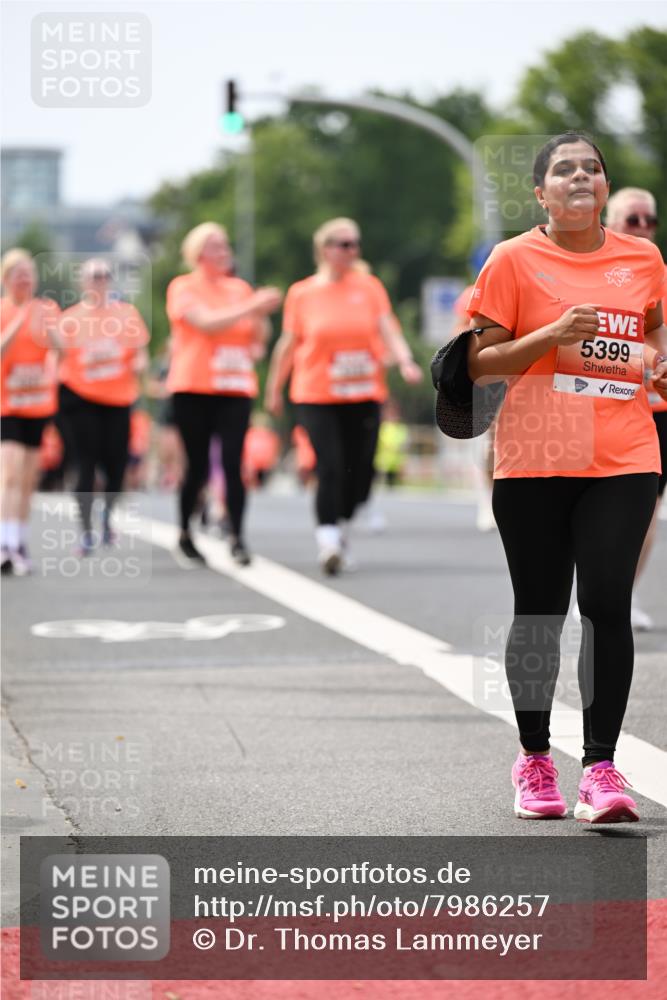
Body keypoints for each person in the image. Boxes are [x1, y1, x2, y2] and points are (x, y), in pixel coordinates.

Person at [466, 133, 667, 824]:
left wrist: (656, 364)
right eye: (564, 169)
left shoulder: (642, 258)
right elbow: (479, 364)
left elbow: (652, 333)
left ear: (604, 188)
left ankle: (601, 768)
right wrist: (550, 336)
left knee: (607, 603)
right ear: (541, 193)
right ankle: (533, 758)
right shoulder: (512, 259)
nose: (580, 176)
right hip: (534, 458)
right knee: (540, 612)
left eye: (592, 168)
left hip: (622, 455)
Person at [264, 217, 422, 574]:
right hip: (316, 393)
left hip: (363, 393)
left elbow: (388, 329)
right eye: (344, 244)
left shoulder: (369, 287)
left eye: (355, 244)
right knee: (330, 465)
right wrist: (273, 388)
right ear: (325, 249)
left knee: (360, 469)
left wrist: (405, 360)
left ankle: (343, 526)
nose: (353, 250)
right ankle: (328, 540)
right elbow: (288, 344)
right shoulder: (302, 293)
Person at [165, 222, 282, 567]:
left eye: (225, 245)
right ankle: (185, 532)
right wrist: (252, 305)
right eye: (215, 246)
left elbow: (258, 338)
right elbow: (205, 323)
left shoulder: (239, 288)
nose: (224, 251)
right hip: (194, 387)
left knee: (234, 463)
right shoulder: (183, 287)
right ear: (198, 253)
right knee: (198, 465)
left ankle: (237, 536)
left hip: (235, 386)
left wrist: (260, 313)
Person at [605, 187, 666, 631]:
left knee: (645, 513)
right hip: (607, 409)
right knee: (598, 511)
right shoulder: (598, 274)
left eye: (650, 220)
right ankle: (594, 586)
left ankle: (619, 594)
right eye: (633, 219)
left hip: (658, 415)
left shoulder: (659, 273)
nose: (643, 228)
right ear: (609, 223)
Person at [58, 258, 149, 554]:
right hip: (81, 398)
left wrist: (140, 364)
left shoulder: (126, 314)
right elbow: (57, 358)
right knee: (85, 462)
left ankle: (107, 519)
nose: (100, 280)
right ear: (83, 282)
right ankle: (86, 530)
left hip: (118, 399)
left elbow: (140, 351)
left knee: (117, 465)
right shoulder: (70, 319)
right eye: (94, 276)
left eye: (104, 275)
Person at [1, 249, 60, 574]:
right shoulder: (3, 310)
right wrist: (20, 319)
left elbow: (61, 349)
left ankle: (20, 542)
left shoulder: (47, 309)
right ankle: (4, 544)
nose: (24, 278)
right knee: (9, 473)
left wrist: (47, 326)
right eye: (17, 273)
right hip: (7, 405)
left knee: (27, 478)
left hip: (38, 405)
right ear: (6, 279)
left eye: (29, 273)